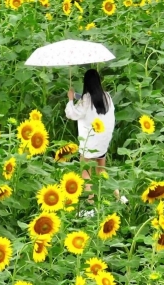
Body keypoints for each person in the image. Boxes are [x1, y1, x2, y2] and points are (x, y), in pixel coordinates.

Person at [64, 69, 127, 217]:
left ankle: (89, 207)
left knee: (86, 173)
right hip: (103, 142)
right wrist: (79, 99)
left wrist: (71, 99)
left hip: (89, 145)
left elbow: (72, 114)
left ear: (86, 83)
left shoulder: (86, 99)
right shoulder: (107, 96)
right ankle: (120, 198)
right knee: (102, 171)